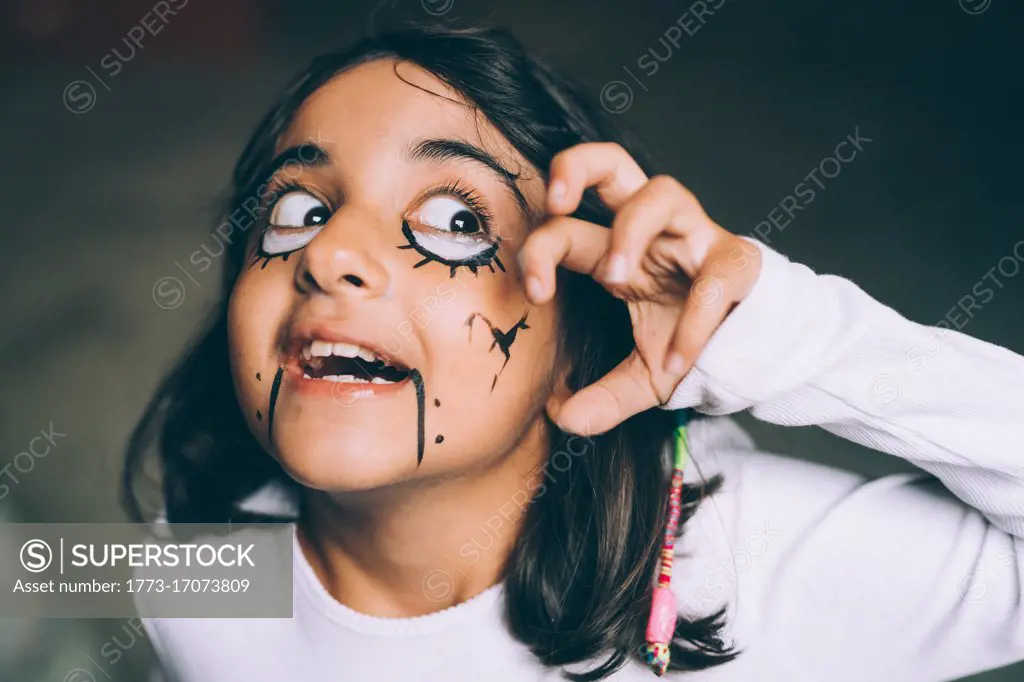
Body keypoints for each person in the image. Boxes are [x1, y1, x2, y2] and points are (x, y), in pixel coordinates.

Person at [124, 25, 1024, 682]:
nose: (329, 253)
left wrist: (784, 335)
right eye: (298, 213)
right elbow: (42, 577)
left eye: (457, 221)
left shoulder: (745, 569)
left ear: (581, 332)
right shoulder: (198, 564)